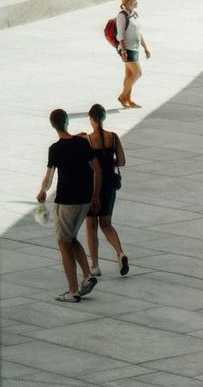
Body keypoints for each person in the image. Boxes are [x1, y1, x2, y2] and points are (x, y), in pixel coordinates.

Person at [36, 108, 101, 302]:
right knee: (71, 238)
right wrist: (96, 196)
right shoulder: (82, 143)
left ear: (53, 125)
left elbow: (49, 177)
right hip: (84, 200)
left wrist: (42, 192)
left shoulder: (55, 149)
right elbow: (97, 170)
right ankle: (88, 276)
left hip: (66, 201)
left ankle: (73, 291)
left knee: (63, 243)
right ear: (67, 122)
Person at [83, 104, 128, 277]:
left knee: (91, 225)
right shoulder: (114, 138)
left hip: (93, 185)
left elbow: (88, 163)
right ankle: (120, 253)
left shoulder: (88, 140)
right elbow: (122, 161)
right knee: (106, 224)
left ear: (91, 118)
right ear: (103, 117)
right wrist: (109, 160)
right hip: (109, 185)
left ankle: (95, 265)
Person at [114, 0, 148, 109]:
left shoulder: (134, 14)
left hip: (135, 47)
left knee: (129, 75)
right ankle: (123, 96)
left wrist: (145, 47)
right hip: (127, 48)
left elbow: (138, 32)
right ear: (128, 2)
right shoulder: (122, 16)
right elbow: (120, 35)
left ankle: (128, 100)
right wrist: (123, 51)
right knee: (138, 73)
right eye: (135, 0)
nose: (137, 2)